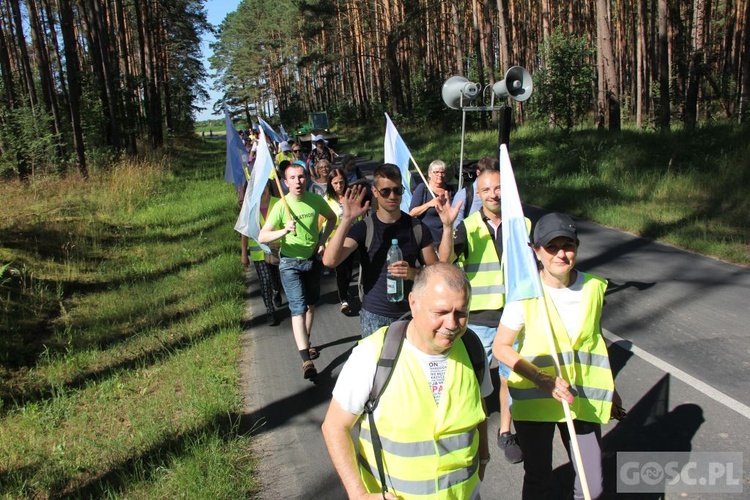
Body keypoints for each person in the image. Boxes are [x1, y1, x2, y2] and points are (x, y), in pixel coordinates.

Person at [321, 263, 492, 499]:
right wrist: (358, 494)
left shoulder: (472, 349)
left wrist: (483, 456)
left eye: (461, 313)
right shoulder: (373, 355)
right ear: (413, 303)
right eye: (440, 313)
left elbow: (479, 409)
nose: (452, 325)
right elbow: (334, 426)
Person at [492, 213, 622, 500]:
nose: (561, 254)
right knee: (539, 479)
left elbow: (595, 343)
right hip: (536, 403)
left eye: (568, 245)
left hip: (582, 399)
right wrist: (542, 379)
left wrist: (612, 390)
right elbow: (501, 347)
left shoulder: (593, 288)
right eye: (552, 247)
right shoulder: (525, 293)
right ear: (537, 250)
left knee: (592, 483)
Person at [437, 168, 525, 464]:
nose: (493, 195)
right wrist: (448, 227)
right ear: (479, 193)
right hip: (481, 318)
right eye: (486, 190)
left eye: (498, 188)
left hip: (515, 315)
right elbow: (444, 259)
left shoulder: (522, 224)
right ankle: (466, 432)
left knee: (510, 378)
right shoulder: (469, 226)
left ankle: (505, 432)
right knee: (470, 379)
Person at [322, 164, 440, 338]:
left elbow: (436, 273)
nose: (392, 196)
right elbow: (329, 261)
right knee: (376, 366)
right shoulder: (365, 228)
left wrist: (413, 273)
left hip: (411, 314)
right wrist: (347, 219)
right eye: (385, 191)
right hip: (374, 316)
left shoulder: (417, 227)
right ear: (375, 192)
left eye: (397, 190)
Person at [258, 161, 337, 379]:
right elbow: (263, 236)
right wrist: (284, 230)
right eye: (292, 178)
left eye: (301, 177)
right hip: (290, 263)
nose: (298, 181)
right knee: (298, 308)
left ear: (307, 178)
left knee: (311, 305)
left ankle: (306, 342)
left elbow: (332, 218)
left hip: (312, 260)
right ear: (285, 182)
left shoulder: (315, 200)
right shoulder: (281, 206)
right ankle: (306, 360)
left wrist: (322, 241)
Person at [241, 180, 283, 326]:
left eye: (264, 187)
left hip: (278, 250)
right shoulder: (249, 209)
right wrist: (244, 254)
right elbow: (244, 233)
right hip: (259, 253)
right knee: (265, 281)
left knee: (275, 278)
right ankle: (269, 310)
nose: (262, 190)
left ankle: (277, 290)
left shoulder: (279, 203)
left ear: (268, 188)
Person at [321, 168, 361, 314]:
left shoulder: (352, 196)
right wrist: (321, 243)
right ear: (330, 184)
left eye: (341, 182)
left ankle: (348, 292)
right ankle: (343, 299)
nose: (339, 186)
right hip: (335, 241)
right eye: (335, 183)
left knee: (349, 270)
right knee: (341, 271)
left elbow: (360, 216)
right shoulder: (326, 200)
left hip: (352, 239)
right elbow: (321, 223)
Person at [409, 159, 456, 244]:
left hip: (446, 237)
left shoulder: (450, 190)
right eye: (436, 172)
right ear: (430, 174)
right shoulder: (423, 188)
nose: (440, 175)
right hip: (426, 239)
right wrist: (429, 204)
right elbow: (412, 212)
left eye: (442, 172)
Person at [451, 156, 499, 229]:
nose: (493, 195)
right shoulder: (464, 195)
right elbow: (456, 228)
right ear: (478, 172)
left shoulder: (505, 194)